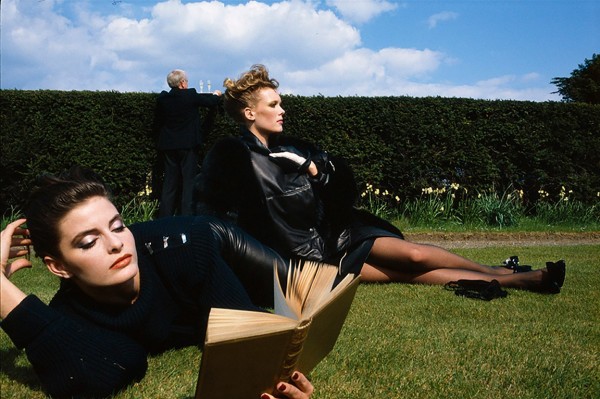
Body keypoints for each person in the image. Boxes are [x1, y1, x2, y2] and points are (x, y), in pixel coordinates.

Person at [194, 64, 566, 294]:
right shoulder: (232, 155)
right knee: (402, 275)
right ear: (248, 112)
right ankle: (521, 280)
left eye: (280, 101)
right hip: (307, 261)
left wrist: (313, 168)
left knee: (415, 255)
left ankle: (496, 270)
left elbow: (343, 187)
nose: (282, 109)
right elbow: (221, 216)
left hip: (339, 232)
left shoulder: (294, 145)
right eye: (273, 104)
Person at [0, 166, 314, 399]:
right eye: (88, 242)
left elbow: (247, 333)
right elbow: (90, 377)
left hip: (211, 240)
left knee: (309, 287)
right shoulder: (70, 316)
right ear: (58, 267)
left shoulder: (188, 253)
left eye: (118, 226)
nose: (116, 244)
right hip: (189, 258)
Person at [155, 69, 222, 217]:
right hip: (188, 144)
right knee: (188, 182)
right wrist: (217, 95)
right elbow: (210, 102)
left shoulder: (163, 99)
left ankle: (164, 217)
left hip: (168, 145)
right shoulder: (190, 95)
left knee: (169, 183)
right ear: (182, 83)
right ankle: (186, 216)